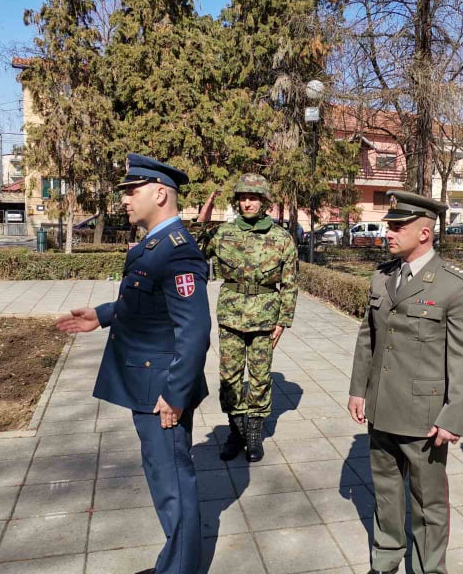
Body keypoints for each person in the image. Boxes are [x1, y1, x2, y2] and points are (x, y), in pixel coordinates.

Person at [56, 154, 210, 574]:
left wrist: (174, 395)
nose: (125, 199)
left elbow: (195, 331)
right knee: (164, 480)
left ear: (160, 193)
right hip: (150, 383)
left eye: (132, 191)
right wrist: (103, 315)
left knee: (173, 484)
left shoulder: (177, 252)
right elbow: (146, 304)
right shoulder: (155, 245)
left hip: (161, 391)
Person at [348, 190, 463, 574]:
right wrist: (359, 390)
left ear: (424, 233)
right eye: (389, 225)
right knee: (386, 492)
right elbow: (368, 337)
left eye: (397, 226)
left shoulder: (454, 286)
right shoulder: (382, 276)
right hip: (381, 406)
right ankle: (387, 557)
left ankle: (428, 568)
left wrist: (453, 416)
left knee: (428, 503)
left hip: (425, 415)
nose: (388, 232)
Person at [199, 173, 297, 463]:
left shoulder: (281, 238)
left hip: (266, 316)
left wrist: (283, 320)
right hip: (230, 315)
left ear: (264, 201)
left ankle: (254, 434)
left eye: (253, 197)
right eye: (243, 197)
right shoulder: (223, 234)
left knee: (259, 377)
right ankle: (236, 430)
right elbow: (195, 251)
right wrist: (202, 220)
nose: (247, 202)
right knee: (229, 376)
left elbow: (290, 283)